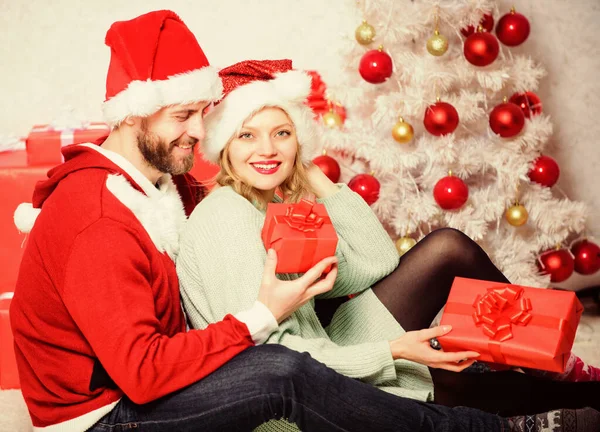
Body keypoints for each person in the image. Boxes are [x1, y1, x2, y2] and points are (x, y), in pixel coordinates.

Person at [9, 9, 556, 432]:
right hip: (106, 418)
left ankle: (541, 367)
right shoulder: (105, 218)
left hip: (227, 363)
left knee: (422, 310)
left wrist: (313, 174)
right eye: (184, 117)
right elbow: (144, 371)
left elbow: (368, 266)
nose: (199, 135)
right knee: (284, 371)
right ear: (132, 113)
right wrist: (265, 315)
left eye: (202, 118)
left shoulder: (153, 187)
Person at [176, 58, 600, 432]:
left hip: (326, 348)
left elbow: (377, 262)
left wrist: (314, 180)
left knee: (447, 253)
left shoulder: (271, 205)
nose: (267, 149)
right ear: (224, 146)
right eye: (247, 136)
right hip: (294, 392)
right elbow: (272, 360)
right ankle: (549, 364)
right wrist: (393, 349)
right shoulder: (226, 217)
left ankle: (546, 357)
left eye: (282, 133)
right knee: (460, 378)